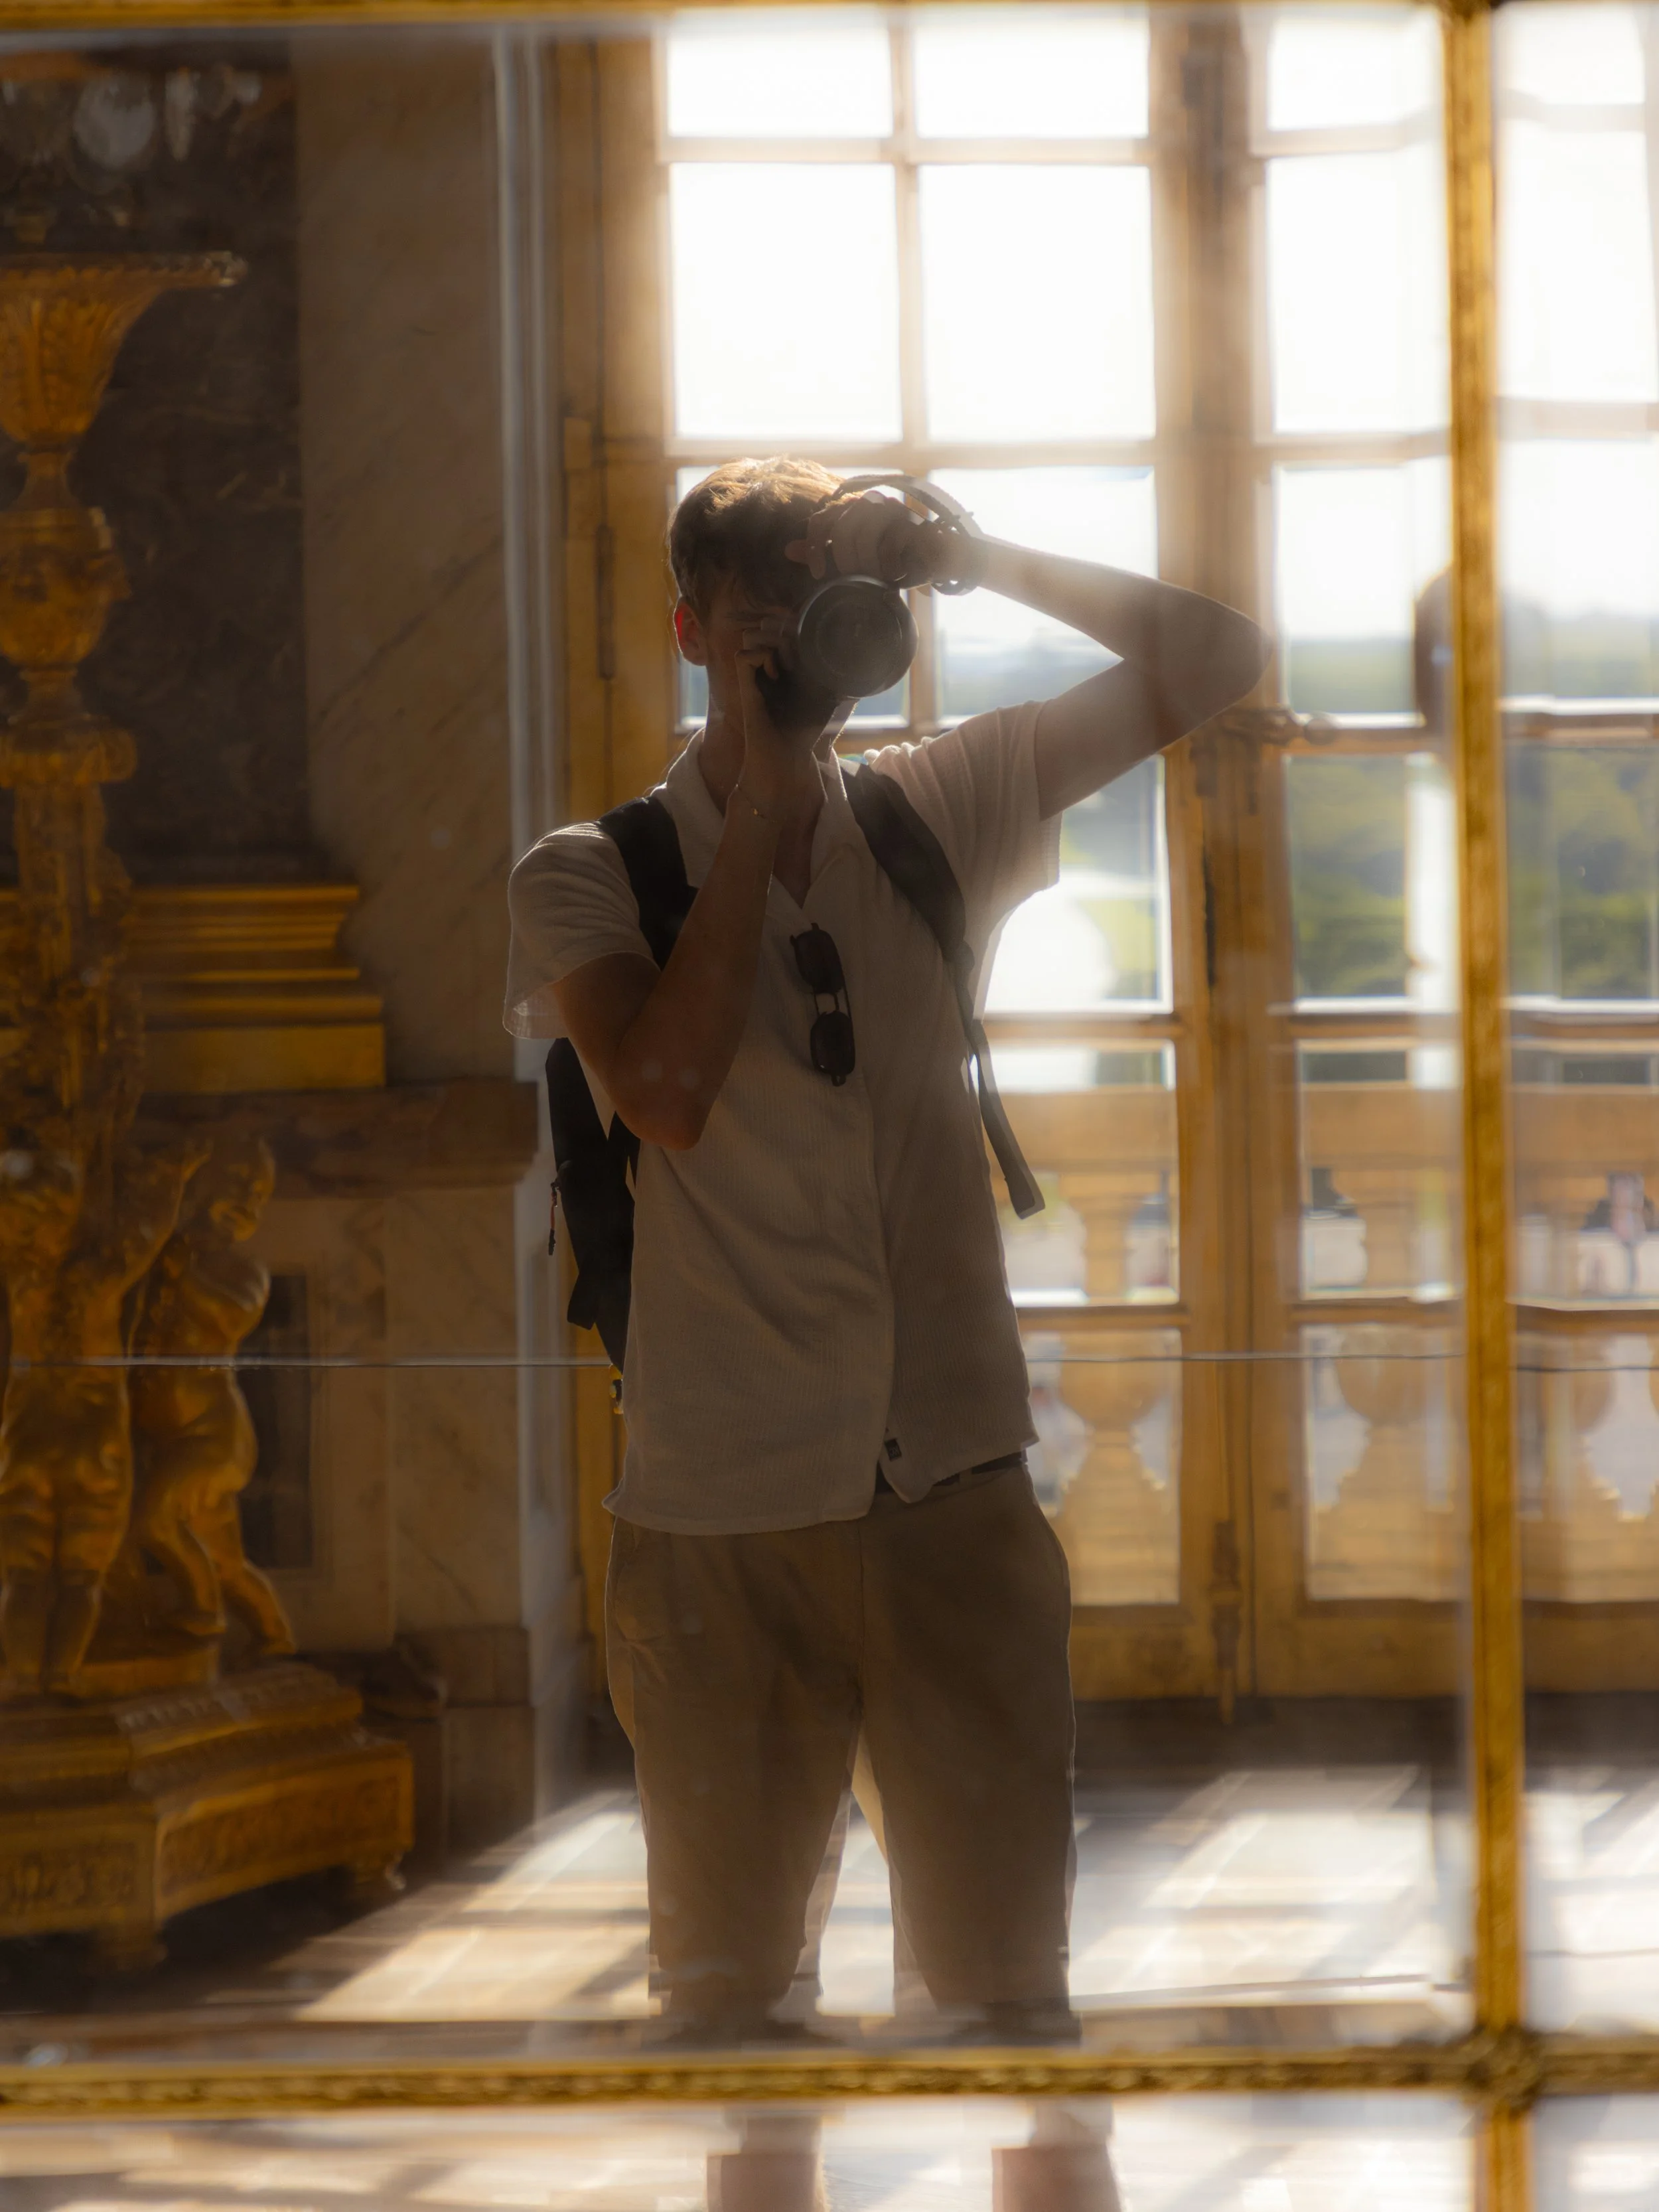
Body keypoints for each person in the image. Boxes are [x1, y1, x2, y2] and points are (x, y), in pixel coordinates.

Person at [504, 458, 1269, 2043]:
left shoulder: (937, 806)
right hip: (720, 1517)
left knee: (1007, 2019)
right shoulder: (589, 870)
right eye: (762, 599)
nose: (796, 628)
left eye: (828, 594)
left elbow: (1215, 657)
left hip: (954, 1499)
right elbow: (664, 1096)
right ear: (693, 626)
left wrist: (979, 557)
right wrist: (766, 809)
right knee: (730, 2031)